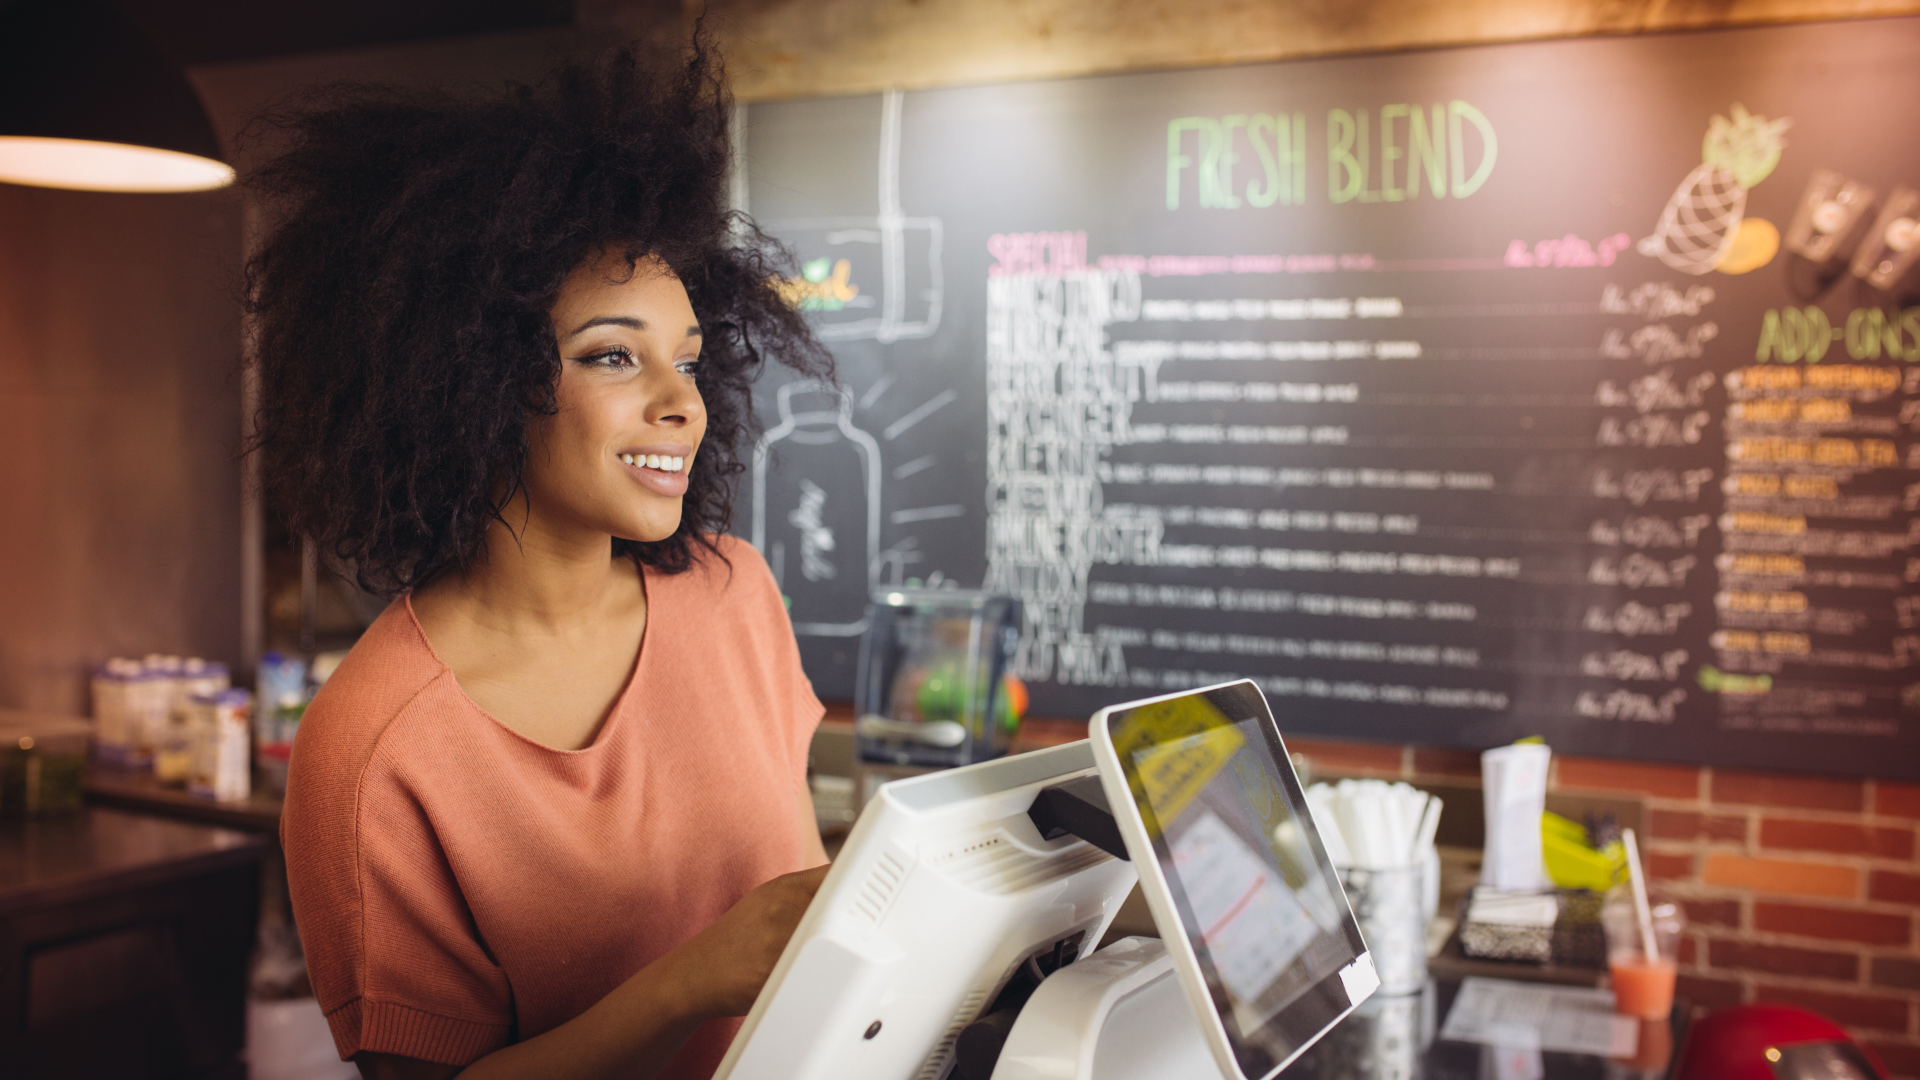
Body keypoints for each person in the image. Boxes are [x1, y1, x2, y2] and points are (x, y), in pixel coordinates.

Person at [248, 38, 836, 1080]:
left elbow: (815, 913)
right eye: (614, 354)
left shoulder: (735, 595)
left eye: (689, 359)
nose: (681, 401)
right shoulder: (374, 750)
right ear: (465, 377)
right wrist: (688, 983)